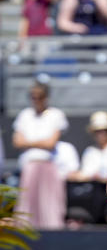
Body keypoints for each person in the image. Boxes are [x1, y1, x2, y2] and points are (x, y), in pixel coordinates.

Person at [13, 82, 69, 229]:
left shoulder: (56, 115)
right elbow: (17, 142)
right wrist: (41, 142)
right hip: (29, 167)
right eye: (33, 97)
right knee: (26, 206)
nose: (36, 100)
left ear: (46, 97)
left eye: (40, 97)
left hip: (49, 166)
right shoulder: (24, 115)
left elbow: (50, 143)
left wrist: (29, 142)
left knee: (50, 206)